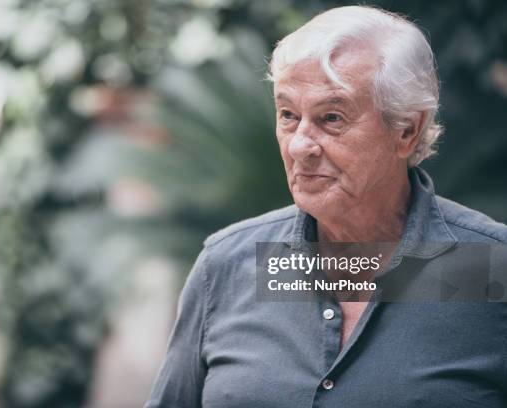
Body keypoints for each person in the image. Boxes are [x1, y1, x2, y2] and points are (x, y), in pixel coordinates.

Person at [145, 6, 507, 408]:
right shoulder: (228, 264)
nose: (299, 146)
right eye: (288, 115)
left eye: (331, 118)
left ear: (406, 130)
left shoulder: (491, 267)